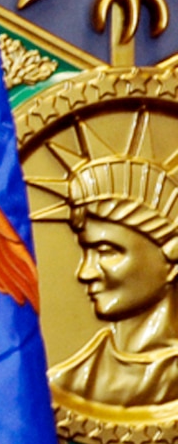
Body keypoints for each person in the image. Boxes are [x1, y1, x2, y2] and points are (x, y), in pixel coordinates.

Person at [50, 152, 178, 411]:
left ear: (171, 256)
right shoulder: (70, 381)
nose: (85, 272)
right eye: (86, 250)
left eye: (107, 250)